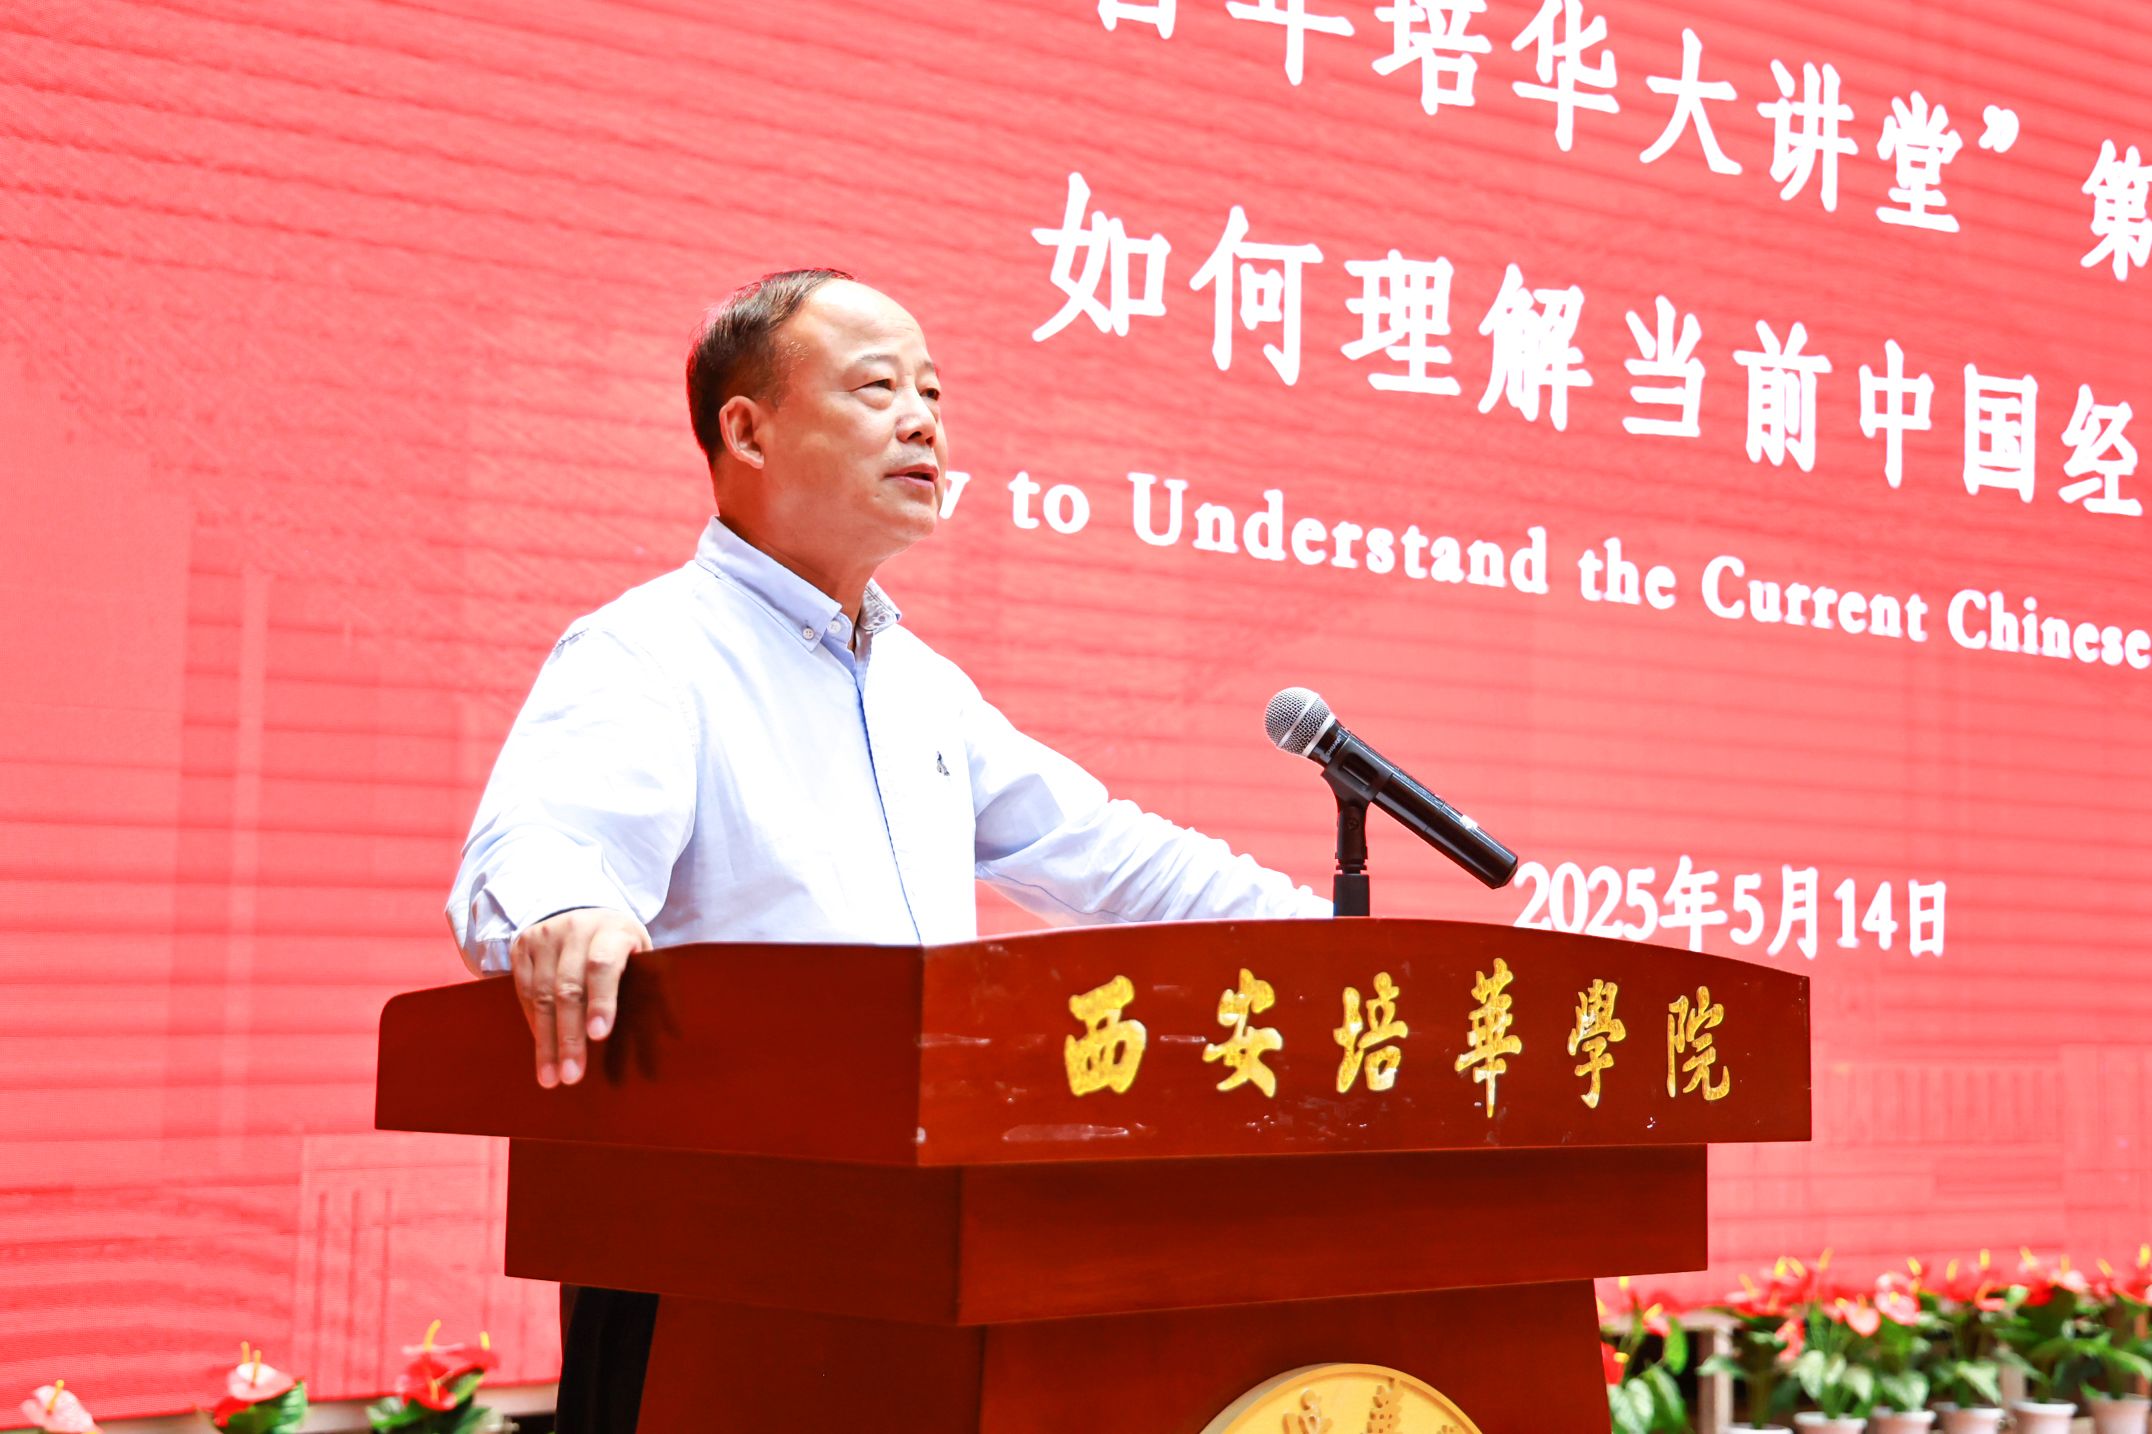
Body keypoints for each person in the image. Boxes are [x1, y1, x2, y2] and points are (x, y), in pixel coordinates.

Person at [445, 268, 1327, 1431]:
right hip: (709, 1258)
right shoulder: (649, 651)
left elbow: (1107, 854)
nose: (922, 422)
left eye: (932, 393)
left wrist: (1340, 945)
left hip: (912, 1245)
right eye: (877, 389)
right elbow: (537, 846)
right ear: (746, 431)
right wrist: (565, 908)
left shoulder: (923, 687)